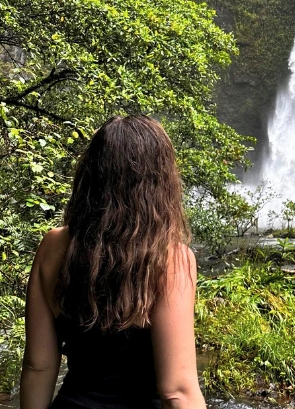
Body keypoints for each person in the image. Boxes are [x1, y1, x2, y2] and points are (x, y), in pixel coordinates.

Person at [19, 115, 206, 409]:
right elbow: (177, 391)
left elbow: (37, 366)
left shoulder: (53, 246)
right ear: (161, 181)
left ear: (91, 174)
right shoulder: (170, 259)